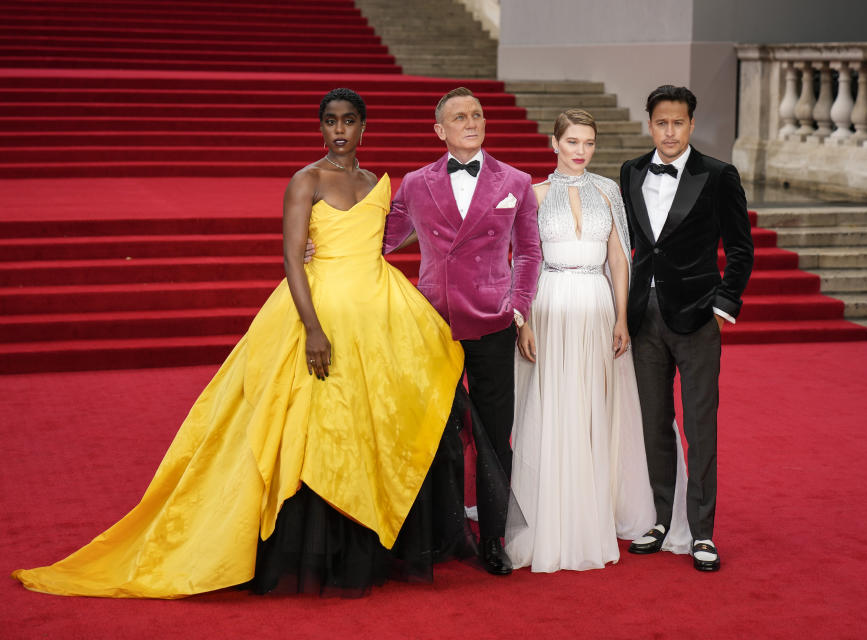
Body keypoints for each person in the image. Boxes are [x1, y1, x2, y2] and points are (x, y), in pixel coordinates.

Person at [12, 88, 467, 598]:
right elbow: (293, 258)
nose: (340, 130)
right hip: (319, 313)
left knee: (377, 417)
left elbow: (391, 235)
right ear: (321, 128)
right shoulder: (306, 180)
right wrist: (313, 328)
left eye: (350, 121)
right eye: (331, 122)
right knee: (308, 425)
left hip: (380, 314)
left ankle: (372, 537)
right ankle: (301, 549)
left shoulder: (380, 185)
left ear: (365, 128)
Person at [503, 109, 691, 573]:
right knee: (552, 404)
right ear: (554, 144)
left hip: (597, 303)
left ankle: (595, 505)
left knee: (594, 406)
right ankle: (550, 508)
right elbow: (520, 260)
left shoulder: (608, 191)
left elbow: (620, 261)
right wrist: (521, 320)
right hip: (548, 305)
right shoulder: (531, 194)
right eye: (572, 142)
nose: (581, 151)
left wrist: (622, 317)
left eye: (588, 143)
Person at [380, 87, 542, 576]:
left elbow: (529, 253)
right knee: (437, 434)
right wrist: (322, 247)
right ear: (439, 131)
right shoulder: (414, 183)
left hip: (492, 325)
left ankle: (492, 537)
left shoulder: (515, 180)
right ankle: (440, 533)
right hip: (433, 328)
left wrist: (518, 309)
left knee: (494, 437)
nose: (471, 122)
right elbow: (380, 240)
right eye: (459, 117)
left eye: (477, 114)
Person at [620, 85, 754, 572]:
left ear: (691, 125)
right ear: (650, 124)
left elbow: (741, 249)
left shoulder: (718, 176)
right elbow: (634, 246)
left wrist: (723, 304)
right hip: (643, 318)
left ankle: (702, 532)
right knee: (654, 423)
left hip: (697, 318)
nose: (670, 131)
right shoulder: (632, 171)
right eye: (661, 123)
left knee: (701, 427)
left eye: (678, 123)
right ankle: (659, 519)